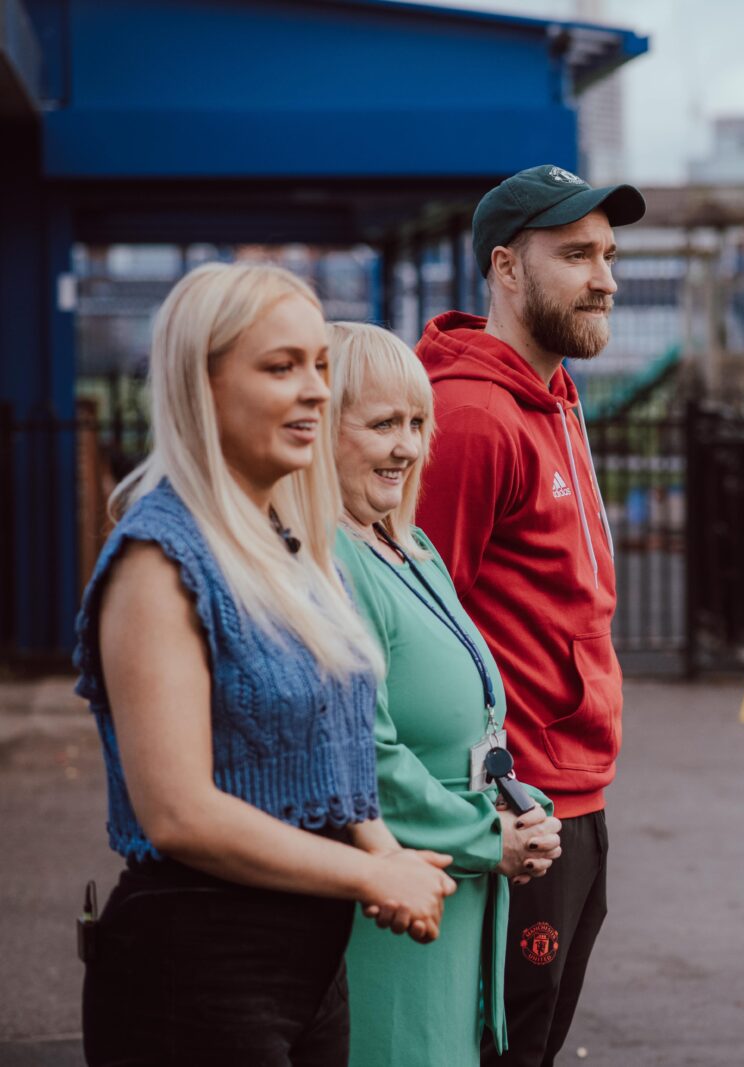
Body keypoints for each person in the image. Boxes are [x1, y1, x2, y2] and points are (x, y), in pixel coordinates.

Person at [75, 263, 457, 1066]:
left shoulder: (288, 543)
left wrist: (383, 849)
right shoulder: (159, 558)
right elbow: (178, 813)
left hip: (309, 969)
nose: (317, 390)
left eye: (320, 364)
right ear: (201, 385)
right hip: (195, 967)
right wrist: (371, 877)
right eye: (281, 367)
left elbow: (336, 749)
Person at [414, 164, 645, 1066]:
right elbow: (419, 618)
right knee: (497, 1049)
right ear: (507, 269)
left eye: (610, 253)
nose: (607, 277)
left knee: (534, 1043)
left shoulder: (555, 397)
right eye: (578, 254)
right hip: (517, 804)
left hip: (577, 795)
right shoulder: (471, 418)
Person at [327, 322, 564, 1065]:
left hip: (459, 898)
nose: (407, 446)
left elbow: (472, 721)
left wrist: (519, 807)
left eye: (417, 423)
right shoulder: (334, 560)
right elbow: (366, 752)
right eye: (382, 423)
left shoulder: (409, 544)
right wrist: (488, 835)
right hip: (399, 905)